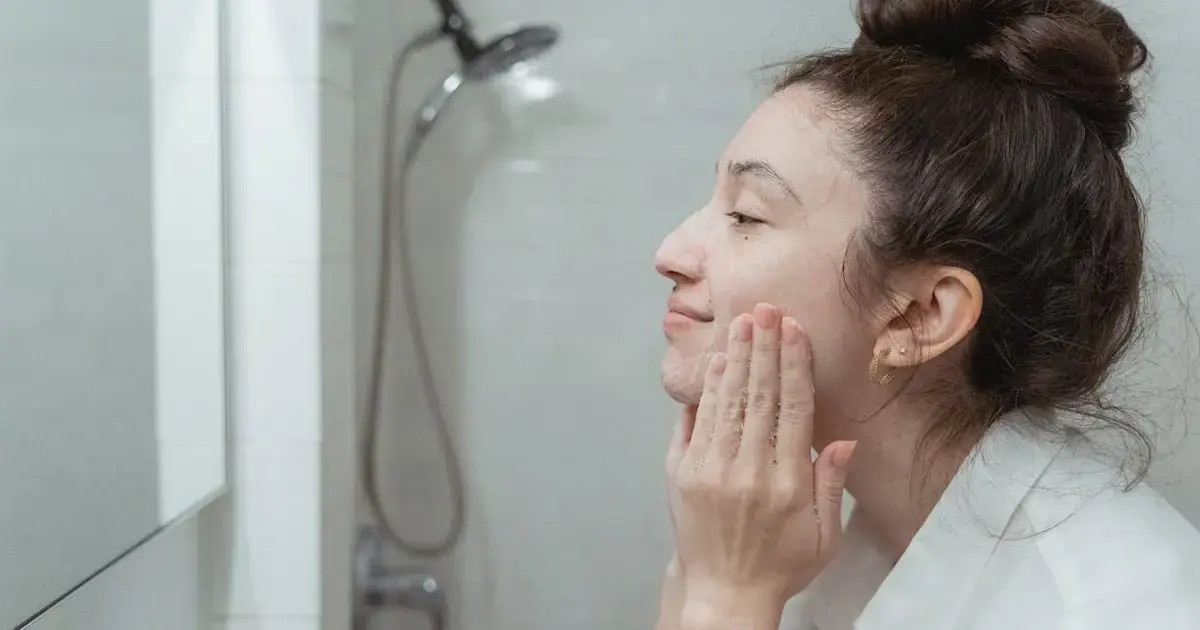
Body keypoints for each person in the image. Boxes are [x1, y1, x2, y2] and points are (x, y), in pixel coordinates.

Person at [650, 0, 1200, 628]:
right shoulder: (810, 532)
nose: (669, 254)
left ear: (919, 315)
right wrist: (701, 569)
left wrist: (727, 596)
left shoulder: (1119, 611)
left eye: (746, 215)